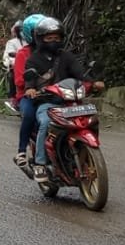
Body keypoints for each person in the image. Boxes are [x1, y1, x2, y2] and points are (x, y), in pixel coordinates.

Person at [21, 17, 103, 182]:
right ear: (41, 39)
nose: (53, 41)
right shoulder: (33, 59)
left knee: (92, 119)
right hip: (47, 103)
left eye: (56, 38)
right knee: (45, 123)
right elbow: (29, 79)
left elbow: (79, 73)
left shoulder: (66, 56)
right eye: (49, 38)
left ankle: (85, 151)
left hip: (70, 102)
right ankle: (40, 163)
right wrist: (30, 89)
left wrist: (93, 83)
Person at [11, 14, 42, 166]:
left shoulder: (56, 53)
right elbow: (19, 80)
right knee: (29, 115)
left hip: (52, 93)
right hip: (27, 95)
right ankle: (22, 151)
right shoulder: (23, 54)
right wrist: (35, 86)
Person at [1, 22, 22, 112]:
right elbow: (7, 57)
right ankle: (13, 98)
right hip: (17, 66)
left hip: (32, 64)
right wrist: (12, 63)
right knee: (12, 75)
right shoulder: (11, 42)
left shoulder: (32, 42)